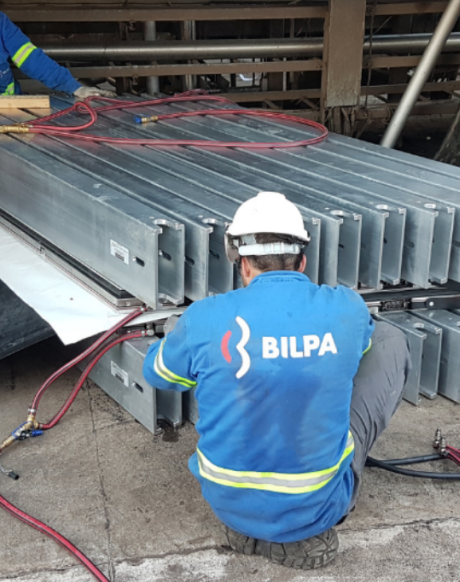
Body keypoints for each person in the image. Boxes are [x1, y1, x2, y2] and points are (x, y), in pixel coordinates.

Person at [143, 191, 410, 570]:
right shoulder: (345, 307)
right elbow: (361, 348)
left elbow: (157, 373)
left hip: (226, 502)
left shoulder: (205, 317)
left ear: (243, 264)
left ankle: (248, 525)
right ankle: (303, 530)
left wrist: (181, 333)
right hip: (317, 508)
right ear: (302, 261)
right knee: (389, 340)